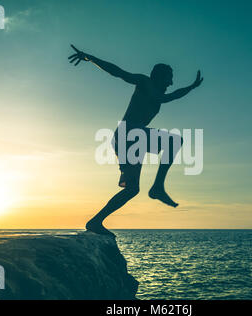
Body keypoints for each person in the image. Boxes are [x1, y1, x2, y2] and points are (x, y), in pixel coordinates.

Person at [68, 45, 203, 237]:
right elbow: (118, 72)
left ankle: (95, 221)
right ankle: (157, 187)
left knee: (132, 189)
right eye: (169, 78)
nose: (171, 82)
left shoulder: (159, 95)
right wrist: (89, 58)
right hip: (129, 134)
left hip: (132, 139)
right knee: (174, 142)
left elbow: (172, 96)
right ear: (159, 76)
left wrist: (191, 87)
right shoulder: (144, 82)